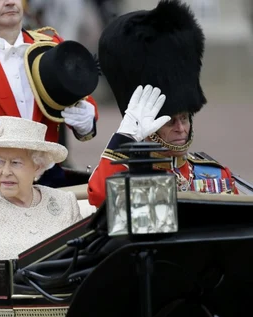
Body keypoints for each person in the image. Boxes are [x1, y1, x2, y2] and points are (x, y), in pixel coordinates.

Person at [87, 0, 238, 208]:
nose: (181, 128)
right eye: (169, 121)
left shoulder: (216, 175)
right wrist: (124, 138)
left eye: (184, 118)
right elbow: (100, 197)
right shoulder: (127, 174)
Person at [0, 0, 100, 191]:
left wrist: (86, 121)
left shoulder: (51, 46)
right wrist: (2, 186)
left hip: (50, 181)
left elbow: (84, 103)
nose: (10, 2)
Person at [0, 116, 84, 260]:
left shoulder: (65, 202)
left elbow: (83, 259)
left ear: (37, 166)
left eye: (15, 163)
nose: (5, 172)